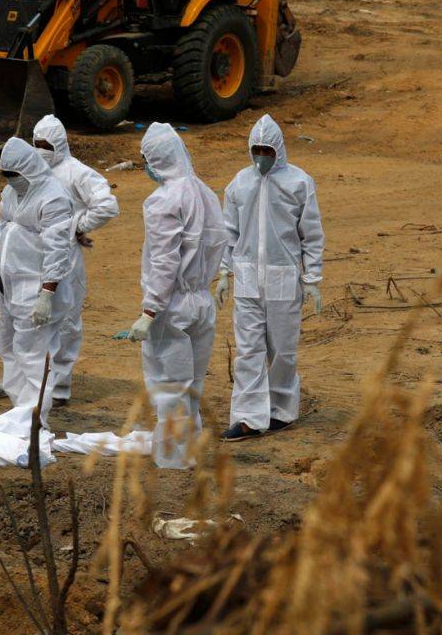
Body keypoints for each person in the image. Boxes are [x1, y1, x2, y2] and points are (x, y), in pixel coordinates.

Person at [216, 115, 323, 440]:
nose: (261, 156)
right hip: (248, 279)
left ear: (278, 149)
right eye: (256, 149)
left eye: (267, 150)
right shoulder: (239, 183)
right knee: (248, 350)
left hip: (283, 279)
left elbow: (312, 234)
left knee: (282, 350)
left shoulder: (298, 183)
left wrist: (312, 278)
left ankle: (280, 410)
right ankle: (248, 417)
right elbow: (228, 231)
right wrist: (224, 271)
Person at [127, 123, 226, 469]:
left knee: (170, 386)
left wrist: (150, 310)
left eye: (146, 160)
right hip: (201, 299)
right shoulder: (206, 193)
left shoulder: (163, 200)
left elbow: (164, 259)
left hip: (172, 304)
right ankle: (189, 451)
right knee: (192, 385)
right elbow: (216, 243)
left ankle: (172, 458)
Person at [0, 137, 76, 437]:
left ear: (29, 170)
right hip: (10, 288)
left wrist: (47, 293)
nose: (9, 180)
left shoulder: (53, 197)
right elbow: (1, 233)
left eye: (13, 175)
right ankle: (20, 410)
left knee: (33, 356)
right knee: (9, 348)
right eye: (5, 175)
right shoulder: (10, 193)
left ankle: (36, 420)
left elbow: (57, 248)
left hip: (35, 290)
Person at [30, 114, 119, 407]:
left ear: (58, 144)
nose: (41, 149)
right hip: (33, 255)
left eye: (46, 144)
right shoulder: (33, 171)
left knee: (66, 322)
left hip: (66, 260)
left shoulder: (76, 172)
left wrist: (78, 226)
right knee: (30, 318)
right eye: (36, 143)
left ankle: (59, 388)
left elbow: (106, 205)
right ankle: (30, 379)